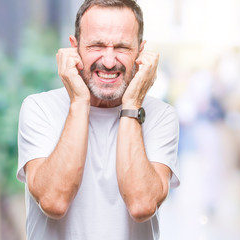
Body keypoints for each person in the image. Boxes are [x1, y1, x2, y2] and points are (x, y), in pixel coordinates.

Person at [16, 0, 180, 239]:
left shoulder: (161, 116)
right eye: (97, 45)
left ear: (140, 53)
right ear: (75, 48)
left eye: (122, 47)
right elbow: (54, 201)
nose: (109, 61)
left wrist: (132, 105)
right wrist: (80, 102)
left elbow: (142, 204)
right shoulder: (39, 108)